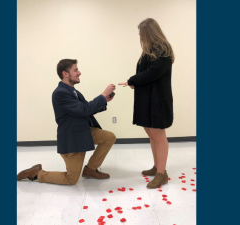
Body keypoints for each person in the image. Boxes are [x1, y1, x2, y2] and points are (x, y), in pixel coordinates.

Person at [17, 59, 117, 185]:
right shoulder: (60, 93)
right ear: (65, 74)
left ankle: (90, 170)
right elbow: (84, 109)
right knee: (71, 179)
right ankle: (37, 173)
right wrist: (102, 95)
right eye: (75, 70)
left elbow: (86, 109)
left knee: (109, 137)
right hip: (72, 139)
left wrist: (104, 100)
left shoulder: (73, 91)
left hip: (83, 132)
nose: (79, 72)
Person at [118, 18, 174, 189]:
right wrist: (136, 82)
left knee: (158, 135)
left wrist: (132, 80)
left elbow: (153, 72)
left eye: (141, 34)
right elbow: (146, 73)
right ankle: (157, 167)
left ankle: (161, 174)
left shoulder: (162, 49)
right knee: (151, 133)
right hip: (147, 99)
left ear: (149, 32)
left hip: (158, 100)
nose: (140, 37)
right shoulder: (150, 50)